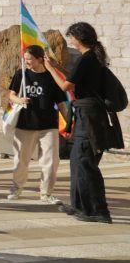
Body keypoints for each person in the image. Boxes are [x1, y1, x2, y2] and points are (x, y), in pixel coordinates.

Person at [45, 22, 113, 223]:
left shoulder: (87, 59)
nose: (70, 41)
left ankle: (98, 211)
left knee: (85, 162)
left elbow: (67, 86)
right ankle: (79, 205)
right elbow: (77, 80)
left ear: (80, 38)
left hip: (90, 116)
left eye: (72, 38)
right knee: (77, 160)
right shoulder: (90, 58)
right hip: (87, 113)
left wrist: (50, 70)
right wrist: (58, 67)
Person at [6, 45, 64, 204]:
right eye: (25, 59)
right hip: (25, 124)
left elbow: (61, 103)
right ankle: (16, 188)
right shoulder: (21, 74)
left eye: (29, 59)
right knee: (20, 160)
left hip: (48, 125)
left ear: (40, 59)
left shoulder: (51, 77)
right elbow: (11, 95)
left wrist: (68, 124)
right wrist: (20, 100)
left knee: (51, 161)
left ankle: (46, 193)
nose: (26, 62)